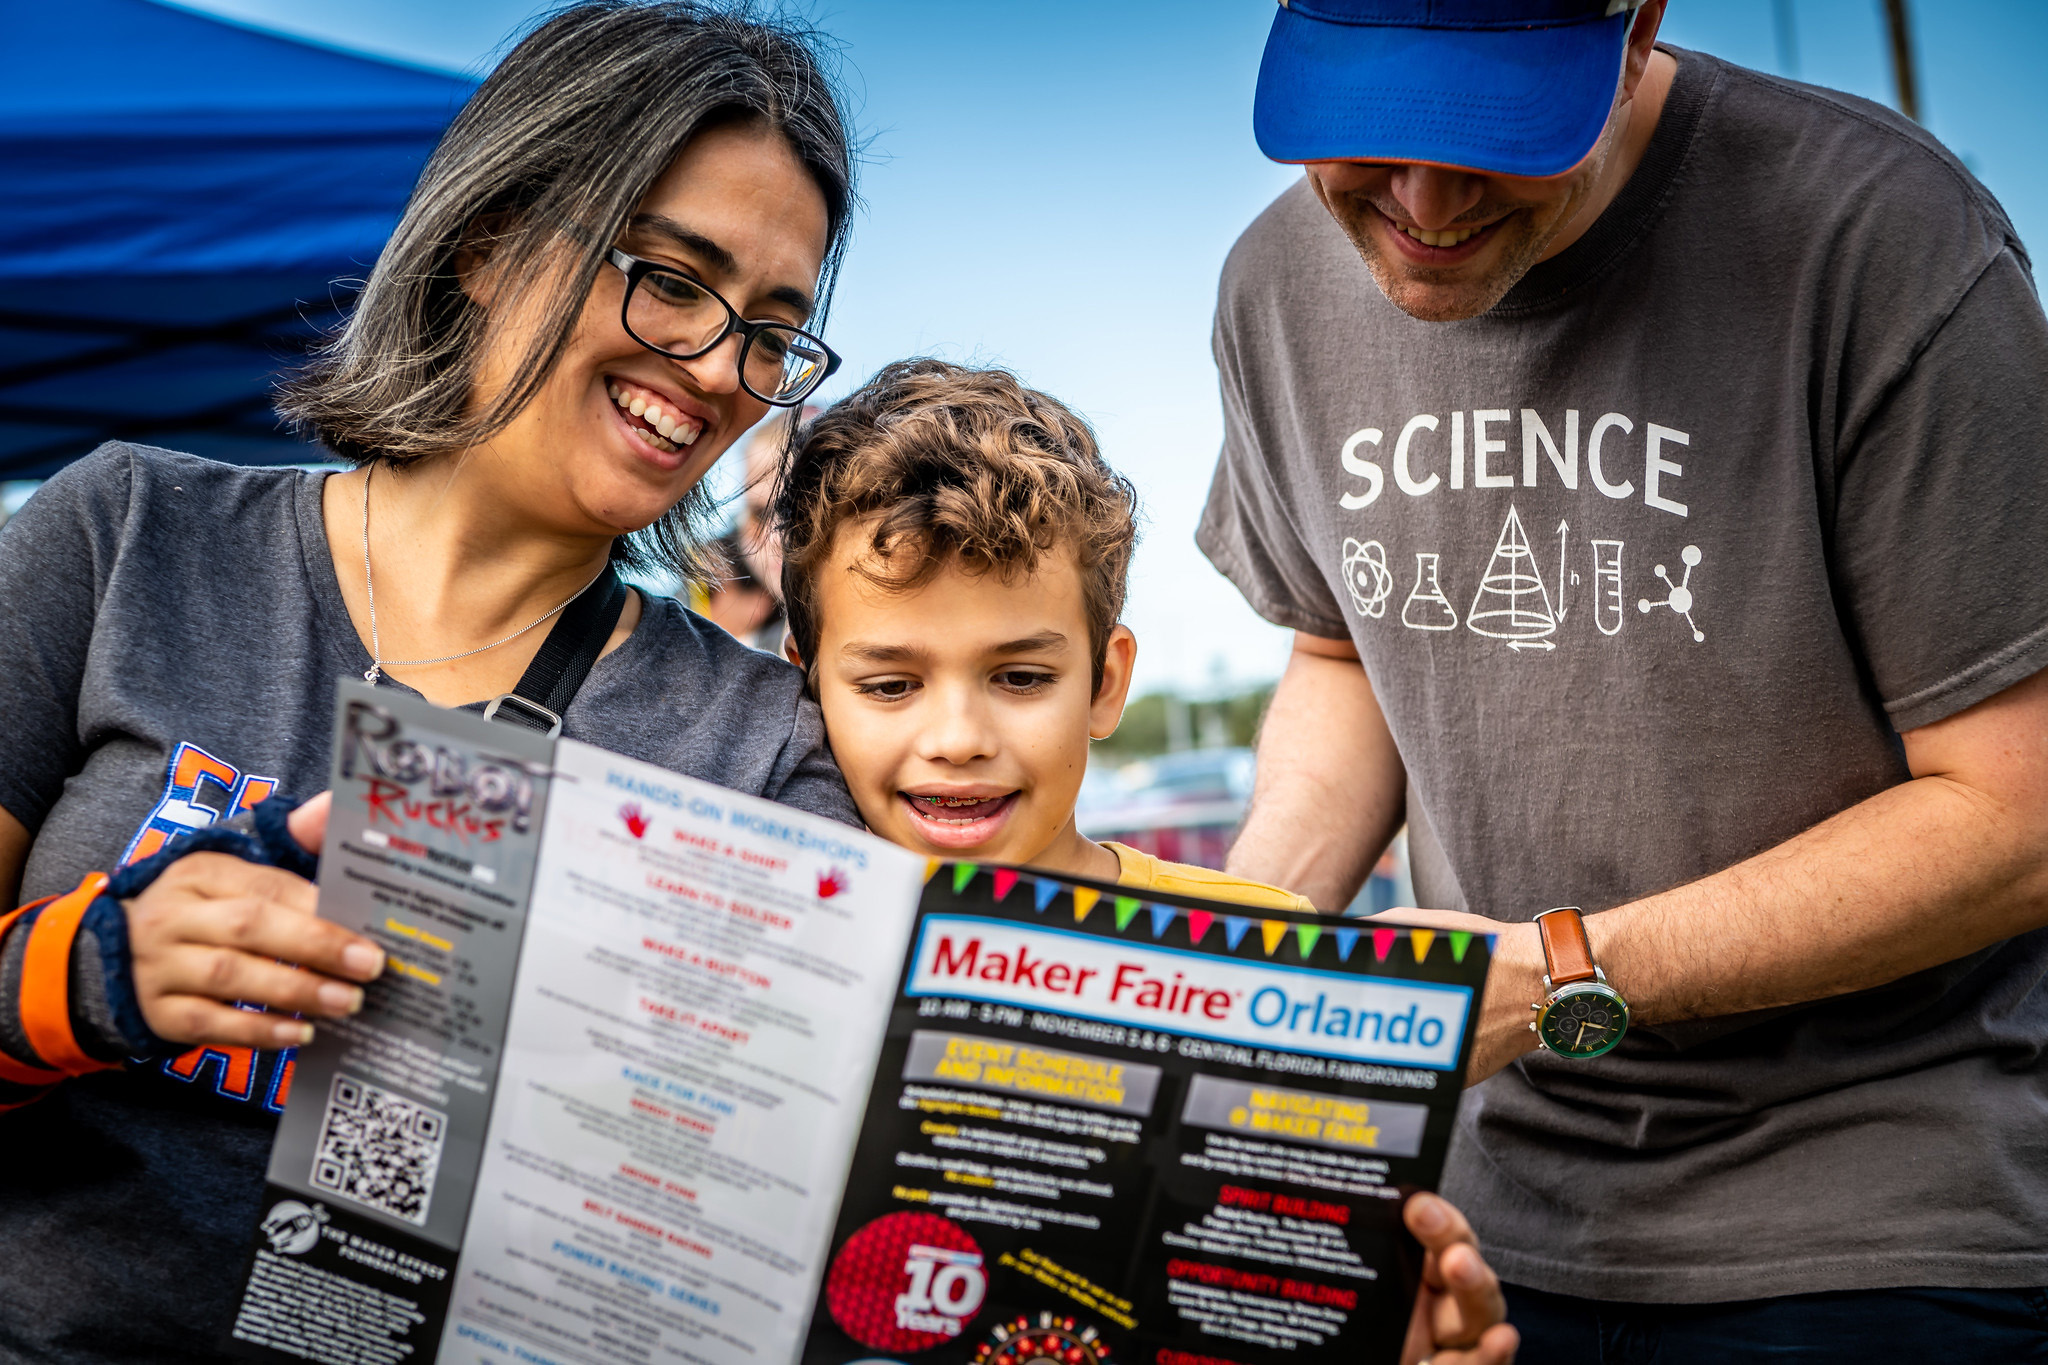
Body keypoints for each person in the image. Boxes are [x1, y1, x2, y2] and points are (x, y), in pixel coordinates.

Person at [0, 5, 862, 1359]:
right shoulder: (123, 539)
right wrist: (93, 970)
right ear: (490, 239)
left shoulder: (757, 745)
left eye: (770, 331)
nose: (713, 367)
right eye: (675, 278)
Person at [1199, 0, 2048, 1358]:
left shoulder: (1880, 238)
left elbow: (2018, 820)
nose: (1420, 204)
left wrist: (1561, 975)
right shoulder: (1273, 289)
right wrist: (1234, 952)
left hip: (1876, 1215)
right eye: (1371, 129)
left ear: (1639, 18)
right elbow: (1344, 645)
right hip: (1486, 1218)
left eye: (1490, 130)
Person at [772, 358, 1521, 1365]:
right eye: (891, 685)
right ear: (809, 685)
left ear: (1105, 682)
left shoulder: (1268, 956)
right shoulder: (772, 957)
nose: (956, 737)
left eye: (1020, 676)